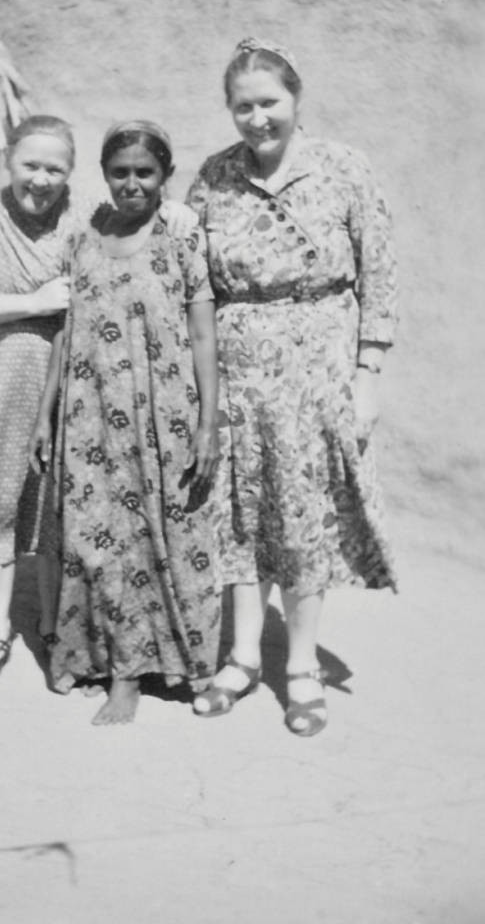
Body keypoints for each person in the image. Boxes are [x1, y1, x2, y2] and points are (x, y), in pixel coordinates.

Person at [0, 116, 199, 686]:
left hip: (78, 374)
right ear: (9, 160)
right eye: (30, 165)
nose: (41, 179)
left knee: (63, 501)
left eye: (54, 169)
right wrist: (33, 301)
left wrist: (177, 210)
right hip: (2, 367)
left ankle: (57, 622)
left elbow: (140, 209)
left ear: (71, 173)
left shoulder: (86, 214)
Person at [186, 37, 398, 736]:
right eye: (242, 107)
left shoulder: (343, 168)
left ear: (296, 98)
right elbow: (192, 280)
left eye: (269, 102)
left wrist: (367, 374)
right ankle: (243, 657)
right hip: (238, 377)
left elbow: (379, 273)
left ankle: (301, 665)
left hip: (319, 372)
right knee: (239, 514)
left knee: (304, 516)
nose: (257, 119)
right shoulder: (214, 177)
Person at [30, 120, 220, 725]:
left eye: (145, 172)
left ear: (165, 175)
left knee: (157, 538)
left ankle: (141, 671)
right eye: (120, 172)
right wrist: (45, 414)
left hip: (162, 418)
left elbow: (203, 336)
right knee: (94, 540)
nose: (132, 183)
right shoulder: (83, 239)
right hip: (88, 417)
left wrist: (208, 423)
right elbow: (65, 332)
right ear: (104, 175)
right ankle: (107, 661)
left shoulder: (182, 242)